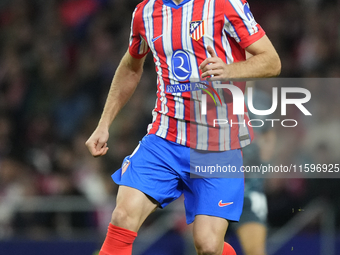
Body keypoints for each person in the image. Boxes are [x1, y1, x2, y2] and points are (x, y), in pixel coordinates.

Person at [85, 0, 281, 254]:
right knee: (122, 216)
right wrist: (104, 124)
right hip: (164, 139)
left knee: (209, 246)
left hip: (218, 146)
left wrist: (230, 69)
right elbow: (131, 66)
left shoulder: (223, 4)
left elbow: (272, 61)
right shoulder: (145, 12)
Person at [230, 87, 277, 255]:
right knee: (208, 246)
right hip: (216, 187)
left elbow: (269, 138)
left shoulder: (262, 100)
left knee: (256, 251)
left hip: (250, 189)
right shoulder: (213, 96)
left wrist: (264, 164)